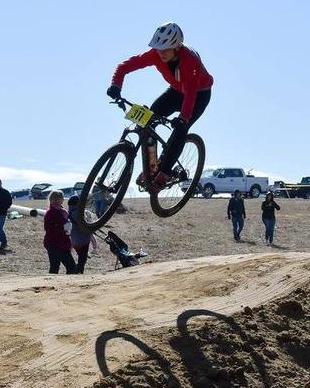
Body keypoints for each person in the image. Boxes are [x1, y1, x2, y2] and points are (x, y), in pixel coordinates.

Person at [106, 22, 214, 194]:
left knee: (180, 130)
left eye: (165, 49)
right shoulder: (154, 55)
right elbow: (124, 67)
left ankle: (165, 173)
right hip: (176, 90)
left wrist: (183, 119)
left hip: (198, 94)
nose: (160, 52)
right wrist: (116, 86)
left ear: (177, 47)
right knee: (146, 120)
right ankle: (152, 165)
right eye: (158, 48)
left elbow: (191, 94)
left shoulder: (189, 61)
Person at [43, 190, 77, 274]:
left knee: (55, 268)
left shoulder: (63, 211)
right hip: (55, 244)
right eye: (55, 199)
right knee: (71, 267)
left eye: (59, 199)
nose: (57, 201)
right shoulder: (50, 213)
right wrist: (67, 225)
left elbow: (68, 229)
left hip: (61, 243)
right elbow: (51, 229)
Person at [67, 196, 94, 274]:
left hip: (74, 240)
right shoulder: (80, 212)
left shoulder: (69, 213)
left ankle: (77, 271)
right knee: (82, 259)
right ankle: (78, 273)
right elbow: (87, 224)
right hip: (83, 239)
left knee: (81, 257)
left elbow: (67, 229)